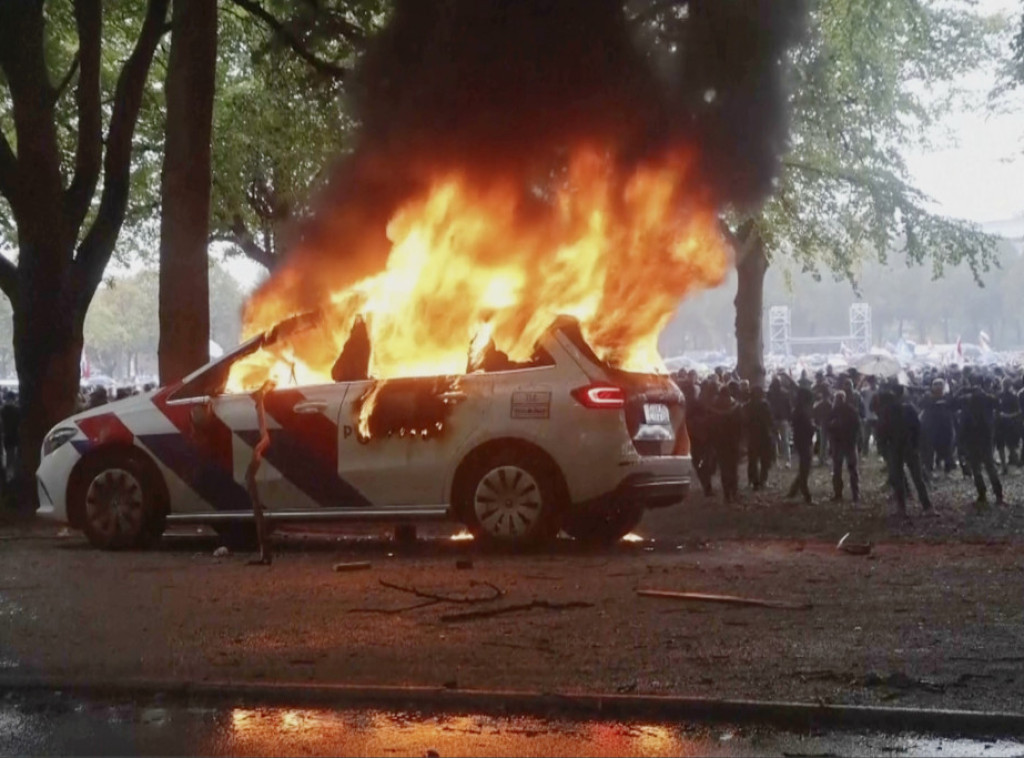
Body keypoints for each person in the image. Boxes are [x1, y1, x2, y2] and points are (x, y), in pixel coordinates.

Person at [877, 385, 932, 515]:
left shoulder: (885, 412)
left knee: (899, 479)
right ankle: (927, 506)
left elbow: (881, 432)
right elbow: (918, 428)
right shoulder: (909, 408)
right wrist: (916, 444)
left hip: (894, 448)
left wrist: (883, 449)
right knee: (917, 478)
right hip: (909, 446)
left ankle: (902, 508)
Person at [956, 380, 1004, 505]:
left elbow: (962, 421)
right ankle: (998, 494)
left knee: (976, 468)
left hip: (971, 439)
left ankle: (982, 494)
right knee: (990, 466)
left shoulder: (966, 401)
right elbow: (998, 404)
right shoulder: (987, 399)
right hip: (986, 437)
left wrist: (961, 390)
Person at [827, 389, 861, 502]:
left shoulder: (834, 412)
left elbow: (828, 427)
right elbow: (857, 427)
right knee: (852, 470)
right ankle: (855, 494)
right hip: (849, 443)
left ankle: (838, 493)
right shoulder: (852, 410)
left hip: (839, 444)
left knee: (837, 470)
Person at [711, 384, 742, 503]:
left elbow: (712, 427)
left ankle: (727, 494)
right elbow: (741, 425)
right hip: (733, 441)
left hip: (720, 442)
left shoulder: (714, 407)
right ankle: (734, 491)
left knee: (724, 468)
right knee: (733, 468)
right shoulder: (736, 407)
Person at [786, 387, 815, 504]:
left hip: (800, 441)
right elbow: (807, 428)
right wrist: (812, 427)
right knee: (805, 468)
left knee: (805, 467)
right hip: (804, 441)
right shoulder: (802, 412)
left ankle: (793, 491)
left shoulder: (797, 410)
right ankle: (806, 494)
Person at [744, 386, 774, 490]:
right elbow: (770, 420)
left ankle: (753, 481)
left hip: (752, 435)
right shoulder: (765, 405)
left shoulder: (747, 405)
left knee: (753, 459)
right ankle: (763, 480)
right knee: (764, 459)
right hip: (764, 435)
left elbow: (744, 421)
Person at [767, 376, 792, 468]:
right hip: (783, 418)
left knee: (774, 441)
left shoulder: (770, 393)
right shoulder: (785, 393)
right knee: (785, 441)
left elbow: (768, 407)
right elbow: (789, 407)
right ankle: (787, 461)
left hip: (774, 419)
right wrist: (789, 418)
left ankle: (775, 460)